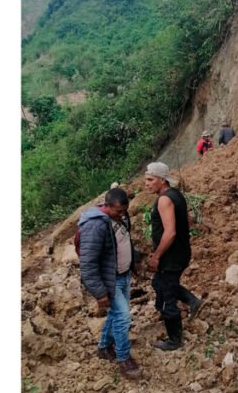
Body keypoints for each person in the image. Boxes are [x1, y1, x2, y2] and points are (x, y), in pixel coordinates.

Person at [77, 187, 142, 378]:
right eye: (118, 211)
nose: (121, 215)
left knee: (116, 315)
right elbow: (87, 264)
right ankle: (124, 360)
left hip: (123, 275)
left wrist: (134, 263)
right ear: (106, 205)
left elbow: (126, 242)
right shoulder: (95, 226)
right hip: (109, 280)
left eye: (124, 211)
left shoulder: (121, 217)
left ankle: (104, 347)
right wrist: (100, 292)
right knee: (123, 318)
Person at [144, 161, 205, 350]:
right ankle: (192, 301)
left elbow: (169, 232)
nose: (147, 183)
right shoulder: (176, 195)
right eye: (146, 179)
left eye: (150, 179)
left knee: (167, 295)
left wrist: (156, 256)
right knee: (158, 284)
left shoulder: (164, 200)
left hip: (170, 257)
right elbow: (187, 219)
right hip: (180, 252)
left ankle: (174, 340)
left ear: (162, 180)